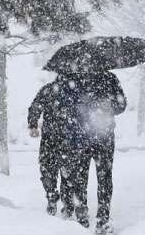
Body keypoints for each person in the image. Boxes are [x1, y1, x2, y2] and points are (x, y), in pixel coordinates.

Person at [58, 71, 127, 234]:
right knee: (80, 179)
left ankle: (103, 220)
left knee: (104, 178)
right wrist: (81, 105)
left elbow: (122, 105)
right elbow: (63, 105)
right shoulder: (73, 79)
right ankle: (81, 218)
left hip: (104, 138)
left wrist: (107, 105)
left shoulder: (110, 78)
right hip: (80, 138)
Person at [28, 78, 74, 217]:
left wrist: (33, 124)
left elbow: (35, 106)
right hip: (66, 139)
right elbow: (35, 106)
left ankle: (54, 197)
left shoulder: (49, 89)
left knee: (50, 170)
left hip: (53, 138)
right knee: (66, 173)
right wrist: (33, 124)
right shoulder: (73, 90)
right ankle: (63, 202)